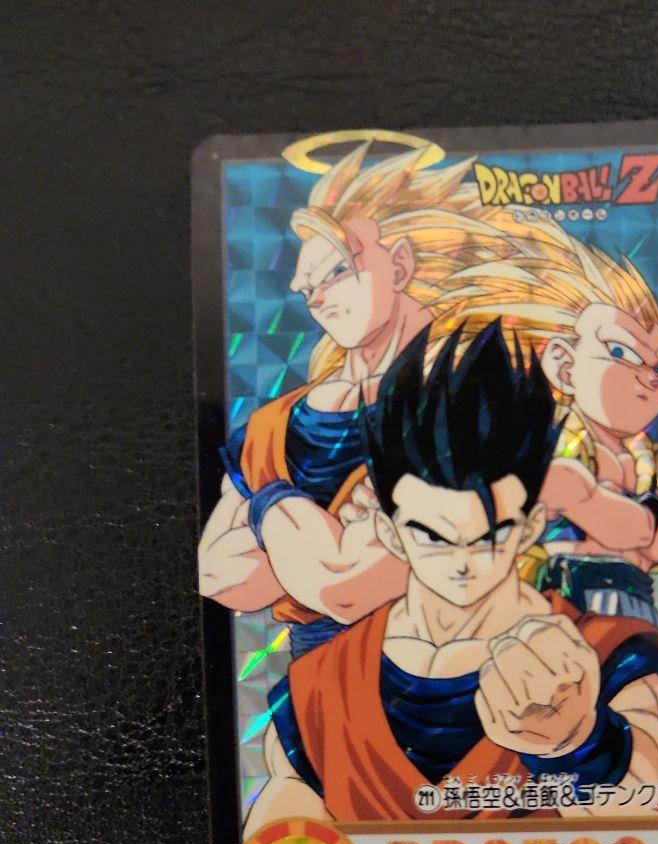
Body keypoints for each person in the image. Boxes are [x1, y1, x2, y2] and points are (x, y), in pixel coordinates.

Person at [243, 320, 658, 834]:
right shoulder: (323, 683)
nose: (462, 562)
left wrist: (581, 740)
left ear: (531, 526)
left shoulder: (602, 653)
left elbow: (650, 806)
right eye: (432, 536)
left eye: (490, 536)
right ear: (389, 532)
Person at [197, 142, 522, 655]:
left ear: (400, 265)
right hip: (314, 679)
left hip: (444, 672)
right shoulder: (275, 422)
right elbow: (218, 574)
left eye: (337, 272)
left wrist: (268, 507)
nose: (319, 298)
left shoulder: (464, 398)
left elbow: (346, 587)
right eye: (308, 288)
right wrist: (317, 538)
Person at [425, 220, 658, 635]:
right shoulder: (546, 449)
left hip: (634, 598)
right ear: (564, 366)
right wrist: (638, 517)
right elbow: (628, 528)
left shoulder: (650, 459)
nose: (650, 378)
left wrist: (622, 512)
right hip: (559, 598)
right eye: (622, 353)